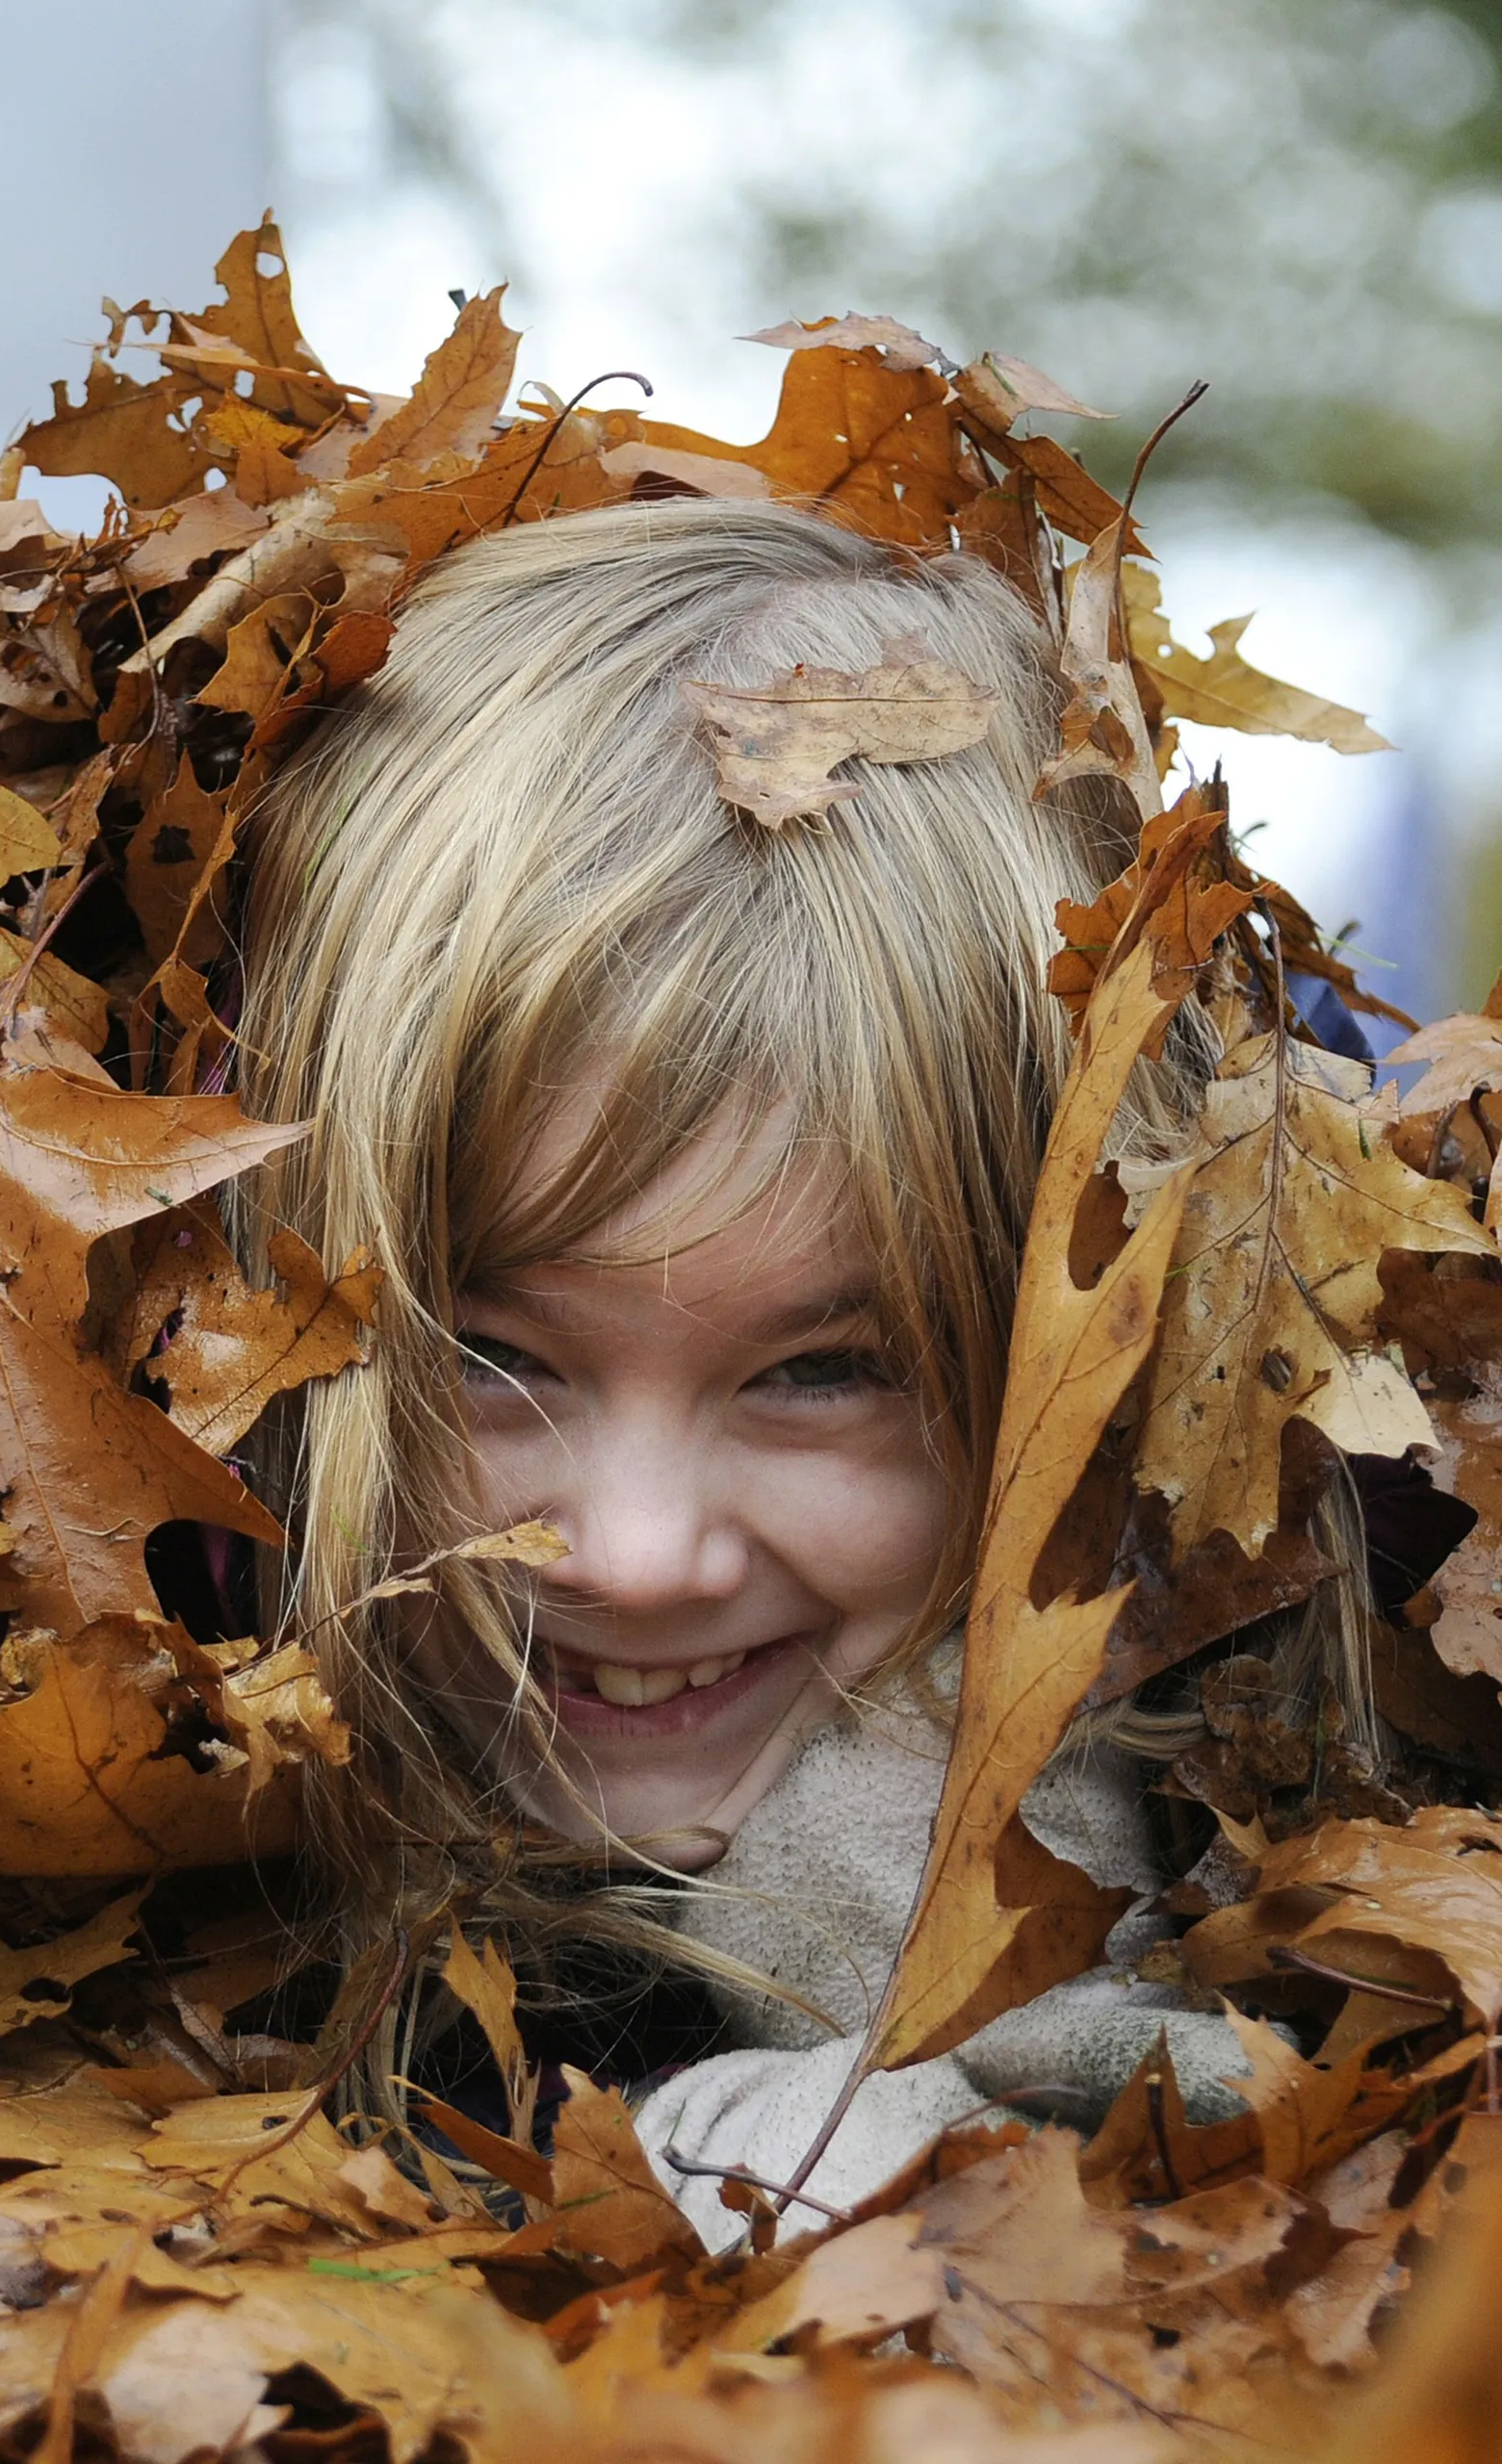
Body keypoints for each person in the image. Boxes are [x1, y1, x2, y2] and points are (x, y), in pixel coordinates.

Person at [232, 498, 1385, 2246]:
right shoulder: (11, 1867)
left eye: (826, 1370)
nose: (634, 1554)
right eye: (487, 1353)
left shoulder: (1371, 1867)